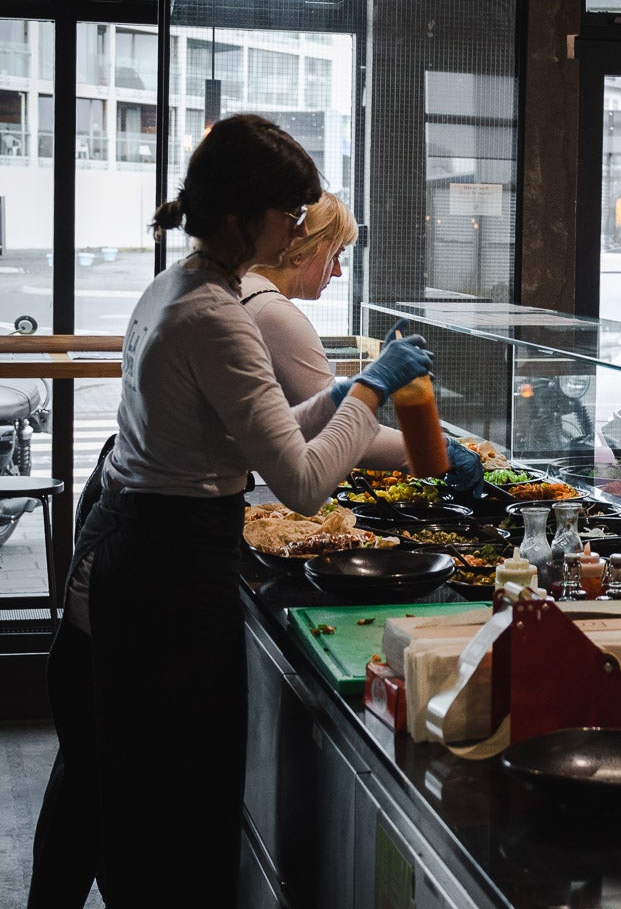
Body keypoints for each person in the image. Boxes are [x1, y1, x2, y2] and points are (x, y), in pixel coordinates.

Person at [28, 115, 435, 907]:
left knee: (125, 785)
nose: (293, 233)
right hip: (167, 572)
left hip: (131, 547)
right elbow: (304, 483)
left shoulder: (179, 286)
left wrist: (339, 395)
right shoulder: (217, 316)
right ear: (245, 213)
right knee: (171, 806)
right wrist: (371, 387)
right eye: (287, 214)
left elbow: (266, 429)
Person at [240, 190, 483, 494]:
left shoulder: (246, 291)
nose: (339, 271)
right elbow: (339, 428)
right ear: (302, 249)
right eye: (336, 254)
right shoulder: (273, 312)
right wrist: (439, 449)